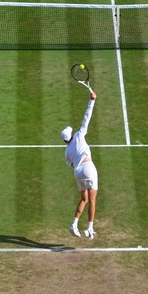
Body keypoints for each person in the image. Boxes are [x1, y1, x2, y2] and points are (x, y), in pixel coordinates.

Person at [62, 88, 99, 238]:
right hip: (88, 168)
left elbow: (70, 163)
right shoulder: (78, 135)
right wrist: (92, 100)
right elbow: (86, 118)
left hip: (77, 172)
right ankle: (90, 228)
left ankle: (74, 224)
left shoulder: (66, 151)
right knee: (92, 200)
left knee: (84, 199)